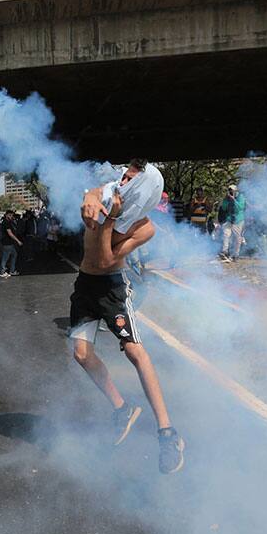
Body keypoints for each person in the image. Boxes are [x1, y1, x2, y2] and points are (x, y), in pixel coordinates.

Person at [72, 159, 185, 474]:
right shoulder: (103, 193)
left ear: (144, 191)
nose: (121, 182)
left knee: (135, 351)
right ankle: (123, 408)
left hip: (112, 289)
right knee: (82, 354)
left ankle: (167, 433)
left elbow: (107, 258)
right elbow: (91, 197)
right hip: (84, 285)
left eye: (129, 180)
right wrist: (90, 204)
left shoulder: (145, 228)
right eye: (123, 176)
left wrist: (110, 220)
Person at [217, 185, 246, 262]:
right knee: (226, 234)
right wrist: (226, 200)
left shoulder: (241, 197)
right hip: (229, 219)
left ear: (236, 191)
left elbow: (240, 208)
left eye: (232, 190)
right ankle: (224, 251)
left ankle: (236, 255)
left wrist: (233, 200)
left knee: (237, 238)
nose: (231, 192)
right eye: (229, 190)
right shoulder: (227, 198)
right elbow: (224, 208)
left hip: (238, 220)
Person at [0, 209, 22, 278]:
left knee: (14, 255)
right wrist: (18, 241)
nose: (11, 216)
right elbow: (10, 233)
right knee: (5, 258)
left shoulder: (8, 222)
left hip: (9, 243)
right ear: (6, 215)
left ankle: (12, 271)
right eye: (9, 215)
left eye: (12, 215)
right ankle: (2, 272)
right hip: (7, 243)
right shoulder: (6, 222)